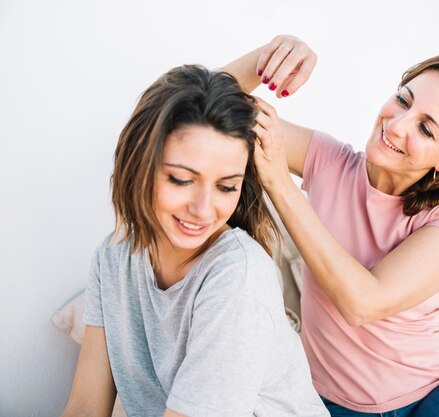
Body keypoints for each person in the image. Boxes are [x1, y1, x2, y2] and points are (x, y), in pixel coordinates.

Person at [224, 35, 439, 416]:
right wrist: (267, 57)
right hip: (327, 400)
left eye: (427, 129)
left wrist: (279, 182)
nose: (396, 126)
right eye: (403, 100)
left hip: (434, 394)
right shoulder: (329, 162)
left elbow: (364, 303)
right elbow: (201, 102)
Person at [61, 65, 329, 417]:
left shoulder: (238, 277)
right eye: (182, 179)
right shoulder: (113, 257)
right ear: (141, 162)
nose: (203, 210)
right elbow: (84, 407)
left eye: (226, 186)